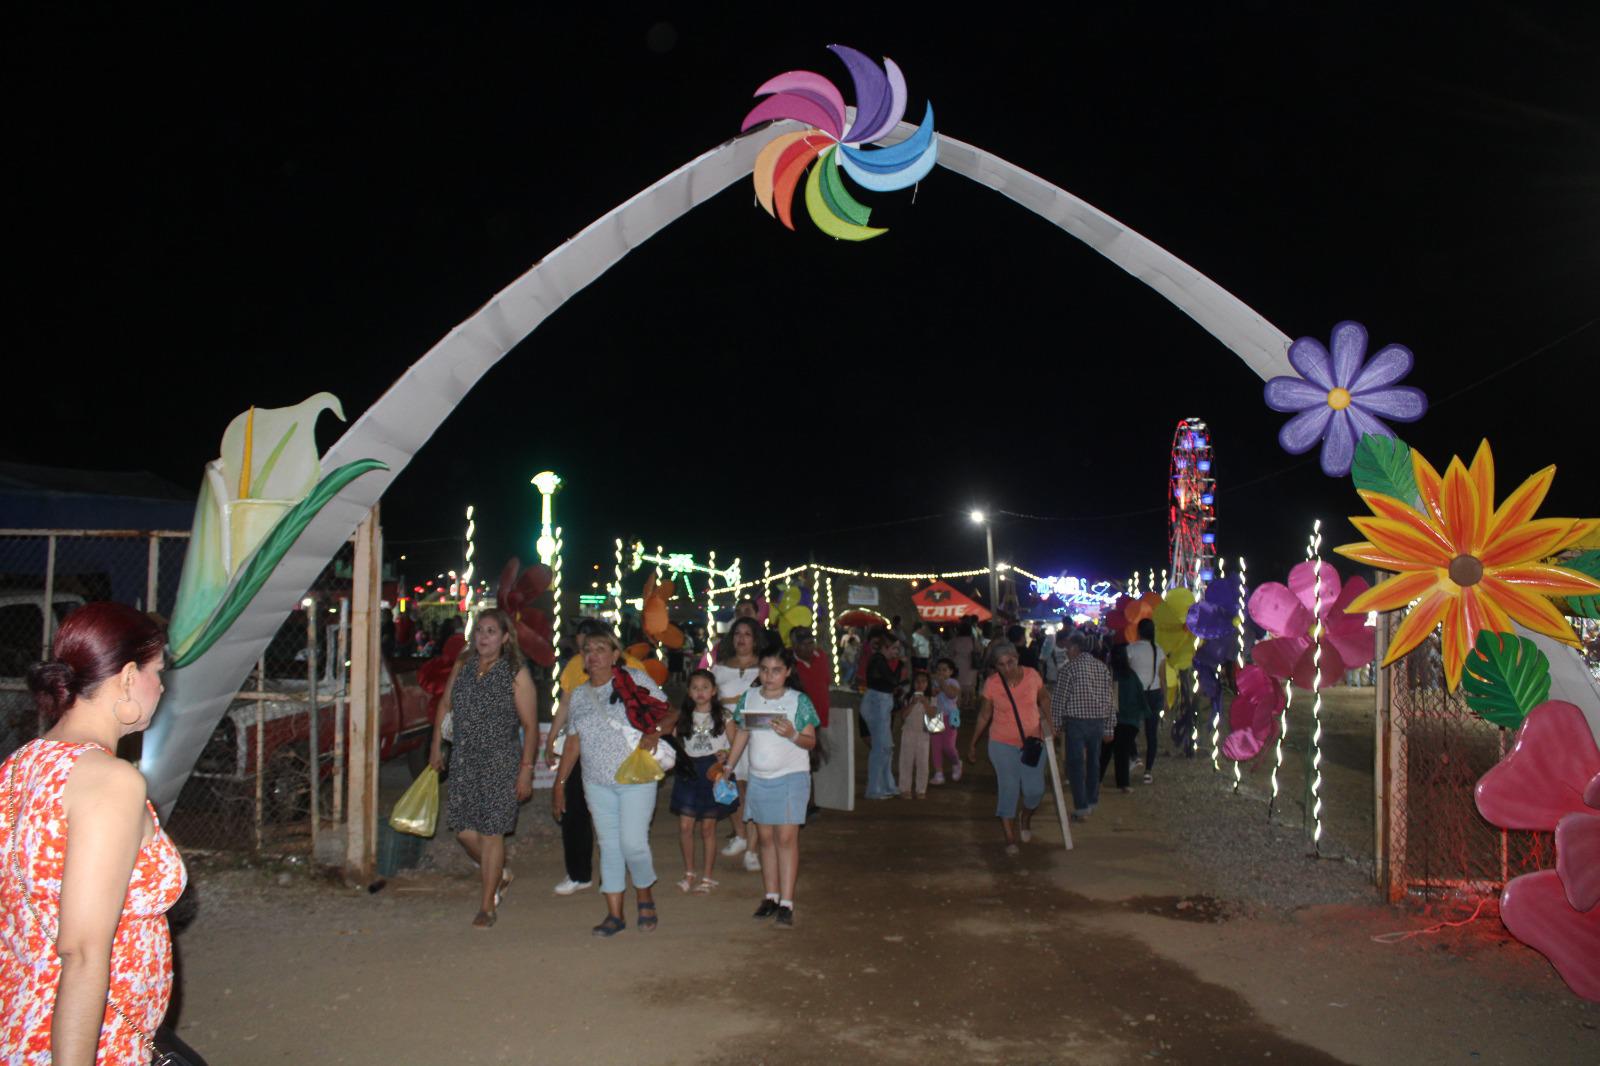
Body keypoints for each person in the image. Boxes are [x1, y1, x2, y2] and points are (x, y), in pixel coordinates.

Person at [3, 602, 186, 1063]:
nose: (161, 686)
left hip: (24, 1016)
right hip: (91, 1038)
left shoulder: (22, 764)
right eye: (156, 671)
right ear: (127, 678)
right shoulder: (110, 781)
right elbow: (82, 953)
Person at [552, 632, 675, 937]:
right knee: (608, 845)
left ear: (615, 654)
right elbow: (573, 743)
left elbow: (671, 712)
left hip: (635, 775)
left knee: (633, 843)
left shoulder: (634, 679)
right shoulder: (578, 695)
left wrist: (655, 733)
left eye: (600, 649)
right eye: (587, 650)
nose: (593, 655)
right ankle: (614, 913)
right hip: (596, 781)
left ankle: (644, 892)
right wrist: (560, 784)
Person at [429, 608, 538, 928]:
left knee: (492, 833)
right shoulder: (463, 665)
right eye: (479, 630)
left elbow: (530, 726)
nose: (483, 637)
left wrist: (526, 768)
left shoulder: (515, 671)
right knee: (464, 831)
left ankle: (487, 906)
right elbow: (445, 704)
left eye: (491, 631)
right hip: (464, 759)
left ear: (505, 638)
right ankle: (499, 873)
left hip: (500, 761)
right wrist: (437, 745)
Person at [724, 649, 819, 929]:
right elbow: (742, 732)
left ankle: (787, 902)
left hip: (791, 777)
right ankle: (771, 896)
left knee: (786, 839)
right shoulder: (750, 698)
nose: (769, 676)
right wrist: (728, 768)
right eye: (764, 669)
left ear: (788, 671)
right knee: (765, 839)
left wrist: (791, 733)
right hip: (759, 778)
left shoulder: (798, 701)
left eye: (776, 670)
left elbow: (810, 742)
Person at [543, 618, 612, 897]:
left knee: (610, 816)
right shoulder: (574, 667)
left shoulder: (629, 666)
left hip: (611, 750)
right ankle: (578, 873)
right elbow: (566, 703)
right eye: (584, 646)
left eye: (595, 645)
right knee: (574, 812)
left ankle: (613, 875)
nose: (589, 652)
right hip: (577, 746)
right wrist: (551, 738)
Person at [966, 641, 1051, 854]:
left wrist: (1051, 722)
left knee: (1034, 790)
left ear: (1017, 659)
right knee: (1009, 786)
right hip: (1001, 742)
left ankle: (1025, 817)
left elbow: (1044, 698)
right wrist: (973, 742)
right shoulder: (992, 684)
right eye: (1001, 665)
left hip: (1032, 742)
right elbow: (985, 714)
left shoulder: (1032, 676)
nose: (1006, 668)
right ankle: (1010, 837)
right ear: (995, 667)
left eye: (1010, 662)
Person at [669, 669, 735, 894]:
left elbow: (736, 744)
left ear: (714, 691)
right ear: (688, 692)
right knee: (685, 826)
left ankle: (707, 876)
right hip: (689, 771)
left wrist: (726, 754)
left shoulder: (724, 715)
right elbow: (674, 742)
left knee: (708, 828)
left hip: (712, 771)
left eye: (705, 687)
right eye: (695, 688)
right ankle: (689, 873)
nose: (700, 692)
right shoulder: (683, 716)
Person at [714, 617, 763, 868]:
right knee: (730, 788)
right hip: (725, 734)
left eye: (747, 634)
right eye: (737, 634)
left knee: (753, 790)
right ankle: (740, 835)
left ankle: (753, 850)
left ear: (755, 639)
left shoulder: (765, 668)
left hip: (755, 734)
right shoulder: (719, 668)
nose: (742, 639)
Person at [1051, 631, 1115, 821]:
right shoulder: (1101, 668)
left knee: (1076, 764)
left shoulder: (1068, 669)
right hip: (1097, 721)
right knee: (1094, 762)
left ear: (1074, 648)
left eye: (1068, 648)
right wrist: (1110, 726)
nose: (1066, 652)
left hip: (1076, 722)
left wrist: (1056, 724)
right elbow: (1109, 699)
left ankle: (1081, 806)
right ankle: (1092, 799)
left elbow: (1059, 700)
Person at [860, 631, 901, 799]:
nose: (897, 652)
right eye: (894, 648)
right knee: (881, 748)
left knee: (885, 748)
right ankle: (875, 788)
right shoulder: (878, 660)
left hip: (879, 701)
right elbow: (893, 680)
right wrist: (900, 666)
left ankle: (886, 785)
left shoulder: (878, 659)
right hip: (878, 702)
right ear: (885, 647)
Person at [1126, 618, 1167, 784]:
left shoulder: (1131, 649)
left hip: (1135, 694)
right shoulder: (1159, 650)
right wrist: (1165, 697)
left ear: (1139, 631)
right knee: (1152, 734)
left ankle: (1134, 756)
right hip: (1154, 693)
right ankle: (1148, 771)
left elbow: (1126, 674)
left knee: (1129, 728)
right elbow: (1163, 677)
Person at [1101, 644, 1144, 793]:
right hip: (1130, 721)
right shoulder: (1132, 675)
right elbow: (1140, 696)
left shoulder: (1109, 674)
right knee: (1122, 752)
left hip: (1112, 719)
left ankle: (1095, 780)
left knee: (1105, 751)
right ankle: (1123, 783)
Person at [897, 670, 934, 799]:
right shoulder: (907, 698)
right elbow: (903, 716)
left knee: (923, 763)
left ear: (928, 684)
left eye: (924, 681)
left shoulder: (931, 699)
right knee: (906, 761)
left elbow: (933, 717)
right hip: (908, 733)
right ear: (913, 683)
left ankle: (921, 789)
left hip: (924, 735)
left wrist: (926, 703)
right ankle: (905, 788)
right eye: (917, 681)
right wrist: (912, 703)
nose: (920, 684)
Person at [928, 657, 962, 785]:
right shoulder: (934, 683)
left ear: (951, 671)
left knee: (948, 746)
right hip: (935, 716)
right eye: (938, 670)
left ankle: (956, 762)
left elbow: (951, 694)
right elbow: (931, 696)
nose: (941, 672)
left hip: (951, 716)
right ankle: (938, 773)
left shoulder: (953, 682)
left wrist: (942, 683)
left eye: (944, 670)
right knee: (936, 746)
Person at [947, 618, 978, 709]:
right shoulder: (972, 640)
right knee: (970, 685)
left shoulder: (955, 640)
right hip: (971, 664)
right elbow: (979, 650)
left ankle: (959, 704)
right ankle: (970, 704)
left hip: (958, 664)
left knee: (959, 684)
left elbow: (950, 652)